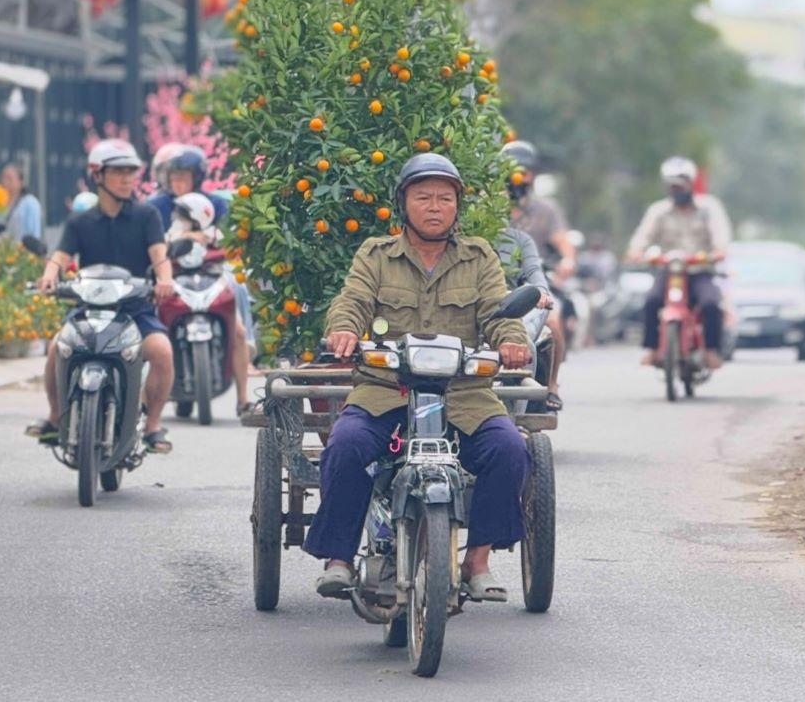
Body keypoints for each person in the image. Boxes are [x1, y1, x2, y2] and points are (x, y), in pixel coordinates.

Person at [307, 153, 532, 602]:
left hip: (463, 396)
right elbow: (352, 299)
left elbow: (497, 310)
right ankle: (339, 559)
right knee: (346, 445)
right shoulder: (376, 253)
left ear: (456, 207)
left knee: (510, 450)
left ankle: (478, 560)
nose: (434, 206)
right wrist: (346, 330)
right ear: (403, 203)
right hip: (386, 391)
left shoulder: (478, 256)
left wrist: (511, 339)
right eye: (423, 197)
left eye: (444, 199)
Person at [26, 140, 177, 454]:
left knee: (162, 351)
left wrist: (165, 279)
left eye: (130, 172)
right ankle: (56, 418)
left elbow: (160, 256)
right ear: (97, 175)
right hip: (89, 310)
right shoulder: (79, 222)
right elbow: (59, 256)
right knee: (57, 348)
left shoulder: (147, 215)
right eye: (118, 172)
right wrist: (49, 277)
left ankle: (152, 426)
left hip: (134, 311)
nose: (126, 179)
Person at [626, 156, 733, 370]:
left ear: (691, 184)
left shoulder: (709, 208)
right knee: (651, 301)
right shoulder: (658, 211)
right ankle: (652, 348)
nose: (676, 190)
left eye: (680, 185)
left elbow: (721, 239)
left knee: (712, 304)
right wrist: (637, 252)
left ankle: (711, 350)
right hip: (670, 272)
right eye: (671, 186)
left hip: (700, 271)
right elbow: (641, 239)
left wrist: (718, 252)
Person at [165, 193, 254, 416]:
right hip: (179, 288)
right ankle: (144, 401)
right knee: (156, 333)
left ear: (198, 217)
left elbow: (233, 251)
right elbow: (159, 254)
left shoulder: (216, 235)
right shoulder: (172, 235)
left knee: (239, 332)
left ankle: (243, 399)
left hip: (211, 285)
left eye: (184, 215)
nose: (179, 218)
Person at [503, 140, 568, 408]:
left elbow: (564, 244)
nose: (519, 175)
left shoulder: (545, 211)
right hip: (496, 283)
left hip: (533, 279)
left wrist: (567, 262)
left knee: (553, 321)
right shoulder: (487, 208)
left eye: (524, 170)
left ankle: (551, 384)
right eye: (512, 169)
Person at [0, 162, 43, 242]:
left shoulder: (30, 203)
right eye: (3, 178)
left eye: (10, 179)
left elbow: (33, 234)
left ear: (20, 181)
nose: (5, 182)